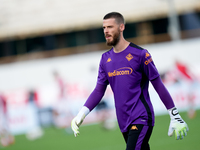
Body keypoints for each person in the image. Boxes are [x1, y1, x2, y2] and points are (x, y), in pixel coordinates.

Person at [71, 12, 189, 150]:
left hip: (141, 117)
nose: (106, 31)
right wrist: (81, 114)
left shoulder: (140, 54)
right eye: (104, 28)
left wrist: (174, 115)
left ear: (121, 27)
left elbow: (158, 85)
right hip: (123, 121)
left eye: (110, 27)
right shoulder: (105, 59)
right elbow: (98, 91)